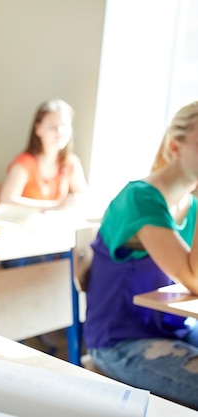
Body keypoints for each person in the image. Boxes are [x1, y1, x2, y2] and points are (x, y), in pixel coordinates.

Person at [84, 101, 198, 409]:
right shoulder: (140, 198)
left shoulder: (193, 205)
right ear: (175, 147)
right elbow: (194, 278)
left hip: (175, 329)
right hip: (121, 340)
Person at [0, 99, 88, 210]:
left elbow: (83, 196)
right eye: (52, 126)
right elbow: (6, 200)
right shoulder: (25, 163)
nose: (59, 131)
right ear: (38, 129)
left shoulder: (71, 163)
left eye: (64, 125)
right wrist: (54, 206)